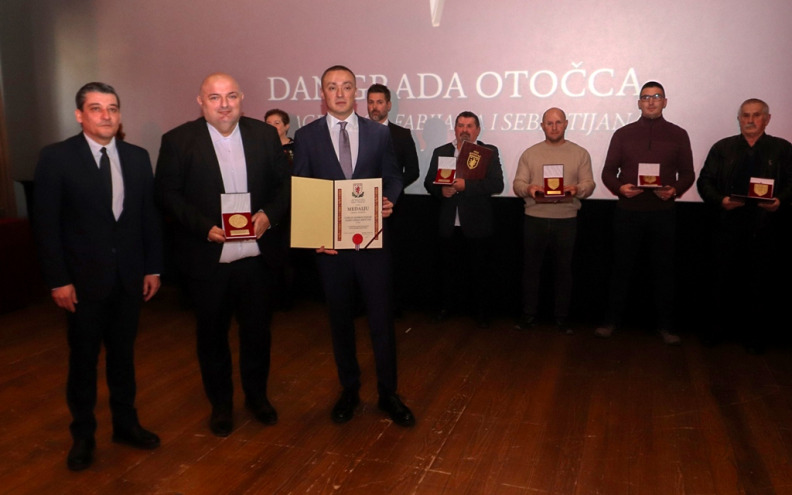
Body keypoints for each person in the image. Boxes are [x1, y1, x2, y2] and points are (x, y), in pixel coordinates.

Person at [33, 82, 163, 471]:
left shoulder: (137, 157)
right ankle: (83, 436)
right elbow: (46, 226)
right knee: (83, 361)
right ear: (80, 115)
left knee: (123, 357)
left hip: (128, 279)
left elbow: (148, 218)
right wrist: (58, 279)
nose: (106, 115)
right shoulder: (56, 158)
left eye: (112, 108)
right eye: (96, 108)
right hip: (81, 283)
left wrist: (153, 267)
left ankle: (126, 425)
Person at [155, 73, 290, 436]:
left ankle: (257, 398)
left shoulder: (264, 135)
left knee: (258, 334)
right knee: (212, 337)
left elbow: (285, 185)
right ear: (201, 102)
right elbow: (166, 194)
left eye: (231, 96)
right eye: (215, 97)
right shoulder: (178, 141)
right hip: (207, 258)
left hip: (258, 257)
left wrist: (269, 215)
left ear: (242, 98)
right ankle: (221, 405)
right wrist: (203, 227)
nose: (224, 104)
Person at [292, 65, 414, 427]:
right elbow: (302, 187)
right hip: (330, 249)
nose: (340, 93)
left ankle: (388, 394)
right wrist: (315, 234)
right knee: (340, 320)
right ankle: (349, 390)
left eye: (346, 86)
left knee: (381, 320)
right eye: (332, 87)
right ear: (323, 94)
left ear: (355, 92)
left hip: (373, 243)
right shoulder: (307, 136)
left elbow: (393, 176)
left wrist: (390, 199)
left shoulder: (379, 133)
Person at [597, 81, 695, 344]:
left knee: (664, 270)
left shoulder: (679, 134)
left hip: (663, 212)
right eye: (646, 97)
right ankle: (610, 321)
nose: (651, 101)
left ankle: (666, 327)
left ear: (665, 102)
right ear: (639, 103)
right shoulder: (623, 134)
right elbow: (608, 172)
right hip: (628, 211)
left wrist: (674, 190)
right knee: (621, 268)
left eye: (657, 96)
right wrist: (620, 188)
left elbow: (688, 174)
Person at [696, 98, 792, 353]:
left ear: (767, 119)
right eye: (745, 115)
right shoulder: (723, 148)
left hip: (766, 225)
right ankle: (716, 331)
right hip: (727, 224)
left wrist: (781, 200)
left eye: (756, 115)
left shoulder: (782, 149)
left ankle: (755, 336)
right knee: (721, 280)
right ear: (738, 119)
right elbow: (704, 181)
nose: (750, 120)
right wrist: (721, 200)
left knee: (760, 283)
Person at [512, 107, 595, 334]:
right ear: (542, 126)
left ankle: (562, 318)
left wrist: (576, 188)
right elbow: (518, 184)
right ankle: (529, 315)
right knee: (531, 270)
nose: (554, 127)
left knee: (564, 271)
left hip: (566, 219)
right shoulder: (530, 154)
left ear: (566, 124)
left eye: (558, 122)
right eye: (549, 123)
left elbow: (589, 184)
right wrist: (529, 188)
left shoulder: (580, 153)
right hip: (535, 219)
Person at [423, 111, 504, 327]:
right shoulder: (442, 151)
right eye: (460, 125)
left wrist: (466, 186)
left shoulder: (488, 152)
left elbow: (497, 184)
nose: (464, 130)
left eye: (469, 126)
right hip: (449, 223)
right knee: (448, 270)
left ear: (477, 130)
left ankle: (481, 312)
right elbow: (429, 182)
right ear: (455, 128)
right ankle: (447, 307)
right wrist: (441, 191)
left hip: (477, 223)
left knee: (479, 271)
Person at [366, 83, 420, 315]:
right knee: (364, 256)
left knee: (393, 257)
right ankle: (365, 305)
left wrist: (390, 192)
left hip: (394, 206)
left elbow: (413, 171)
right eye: (371, 102)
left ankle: (394, 306)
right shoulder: (356, 132)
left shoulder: (401, 134)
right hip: (361, 204)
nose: (374, 107)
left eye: (379, 102)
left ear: (388, 105)